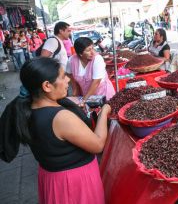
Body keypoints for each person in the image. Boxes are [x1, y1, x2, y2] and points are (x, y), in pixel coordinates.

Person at [0, 57, 111, 203]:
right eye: (63, 76)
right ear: (47, 86)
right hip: (73, 182)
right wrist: (104, 112)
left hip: (51, 178)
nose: (68, 80)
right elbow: (97, 145)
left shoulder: (26, 108)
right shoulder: (60, 117)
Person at [67, 37, 115, 102]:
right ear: (80, 53)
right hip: (85, 95)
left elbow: (96, 82)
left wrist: (84, 100)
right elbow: (69, 74)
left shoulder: (97, 59)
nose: (92, 52)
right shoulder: (71, 60)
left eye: (92, 48)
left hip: (103, 94)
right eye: (88, 50)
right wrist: (75, 89)